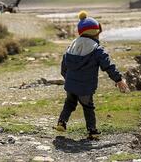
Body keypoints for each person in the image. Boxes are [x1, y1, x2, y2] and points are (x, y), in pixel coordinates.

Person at [55, 11, 129, 140]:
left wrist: (68, 79)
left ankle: (61, 122)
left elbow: (64, 66)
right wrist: (118, 79)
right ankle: (92, 131)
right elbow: (108, 66)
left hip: (71, 85)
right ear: (95, 33)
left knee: (69, 103)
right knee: (88, 107)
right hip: (85, 87)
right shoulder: (96, 49)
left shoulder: (72, 46)